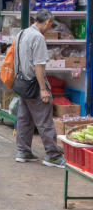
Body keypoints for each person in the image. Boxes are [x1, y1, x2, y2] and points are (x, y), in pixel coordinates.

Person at [13, 9, 66, 168]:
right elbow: (39, 66)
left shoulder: (22, 33)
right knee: (44, 120)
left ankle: (23, 151)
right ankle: (53, 155)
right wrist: (43, 89)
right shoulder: (38, 37)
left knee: (24, 118)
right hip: (34, 85)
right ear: (48, 21)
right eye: (51, 25)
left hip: (22, 83)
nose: (50, 28)